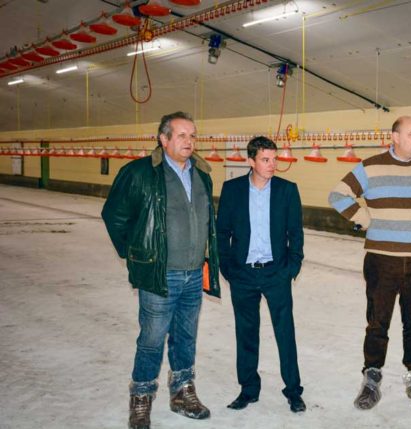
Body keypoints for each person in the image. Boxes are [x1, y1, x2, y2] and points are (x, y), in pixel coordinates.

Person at [101, 111, 220, 429]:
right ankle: (141, 399)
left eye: (192, 135)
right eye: (181, 135)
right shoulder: (140, 173)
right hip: (160, 273)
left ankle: (183, 392)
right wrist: (137, 253)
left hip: (194, 273)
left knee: (186, 337)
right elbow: (114, 215)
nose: (189, 141)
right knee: (152, 339)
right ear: (163, 139)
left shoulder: (202, 174)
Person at [328, 116, 411, 411]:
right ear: (394, 136)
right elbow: (338, 194)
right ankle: (372, 377)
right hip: (382, 261)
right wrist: (367, 220)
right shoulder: (370, 167)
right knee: (377, 322)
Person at [216, 136, 306, 413]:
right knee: (246, 332)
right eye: (265, 159)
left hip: (275, 273)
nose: (272, 165)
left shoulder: (287, 190)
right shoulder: (232, 190)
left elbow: (296, 234)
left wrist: (291, 267)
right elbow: (222, 232)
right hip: (243, 274)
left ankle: (293, 390)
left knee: (284, 332)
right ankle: (248, 389)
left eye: (274, 159)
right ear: (250, 161)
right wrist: (228, 268)